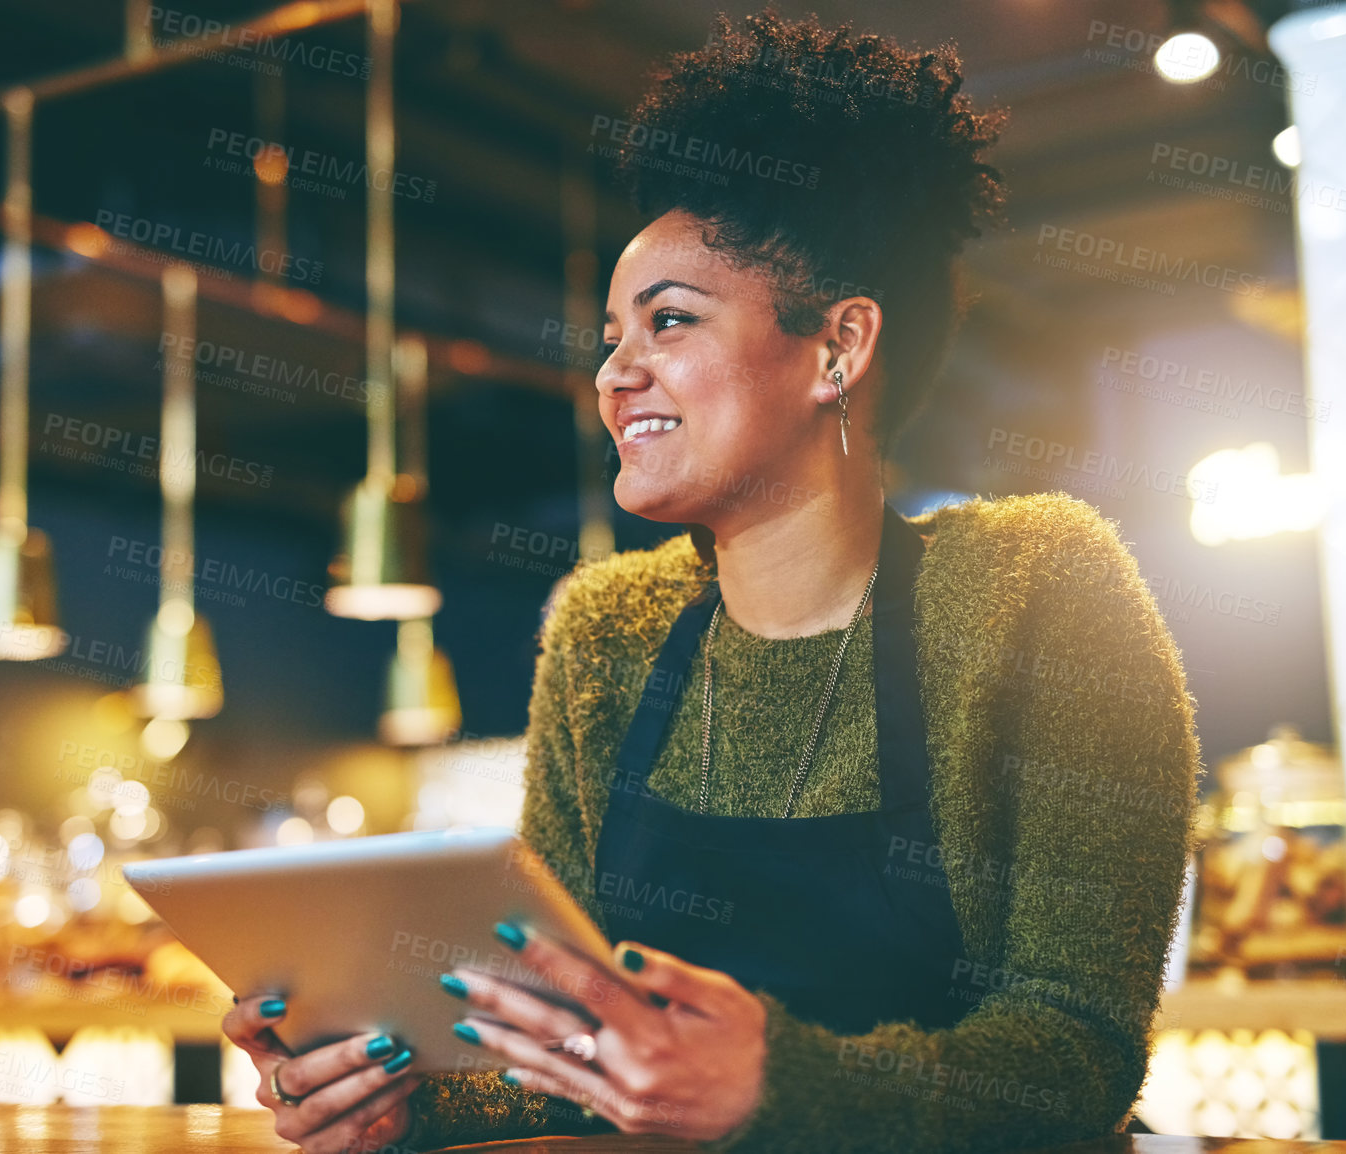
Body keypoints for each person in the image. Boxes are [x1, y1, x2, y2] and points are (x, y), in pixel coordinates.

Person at [221, 8, 1201, 1152]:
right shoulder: (606, 629)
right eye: (609, 335)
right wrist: (393, 1090)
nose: (614, 372)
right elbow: (565, 1050)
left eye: (669, 322)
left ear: (838, 349)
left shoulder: (1038, 583)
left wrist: (771, 1085)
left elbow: (1071, 1054)